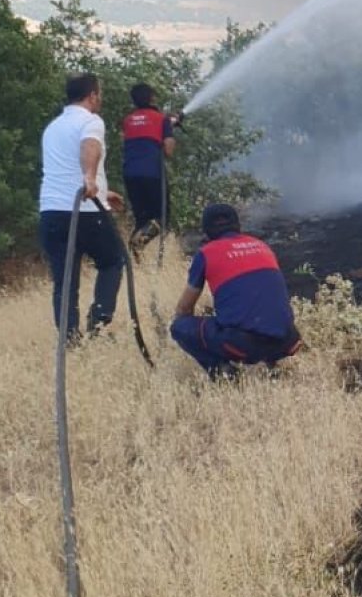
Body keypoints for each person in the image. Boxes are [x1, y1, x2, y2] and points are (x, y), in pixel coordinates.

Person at [39, 72, 126, 339]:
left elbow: (63, 168)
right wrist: (89, 178)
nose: (99, 98)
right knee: (113, 260)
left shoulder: (53, 127)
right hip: (84, 211)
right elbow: (89, 147)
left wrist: (101, 190)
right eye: (99, 93)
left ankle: (69, 340)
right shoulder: (91, 121)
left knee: (65, 281)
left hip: (51, 212)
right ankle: (97, 323)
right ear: (92, 95)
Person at [170, 204, 302, 378]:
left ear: (206, 230)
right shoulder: (262, 246)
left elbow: (184, 309)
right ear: (238, 225)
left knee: (180, 326)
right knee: (263, 316)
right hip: (289, 340)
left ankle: (223, 373)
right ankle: (272, 367)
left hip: (242, 346)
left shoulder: (206, 253)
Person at [122, 83, 176, 251]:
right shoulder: (162, 119)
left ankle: (133, 258)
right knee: (162, 218)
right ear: (152, 98)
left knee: (141, 219)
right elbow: (168, 150)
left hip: (130, 174)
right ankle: (138, 243)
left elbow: (138, 136)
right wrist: (169, 129)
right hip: (153, 174)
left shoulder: (128, 120)